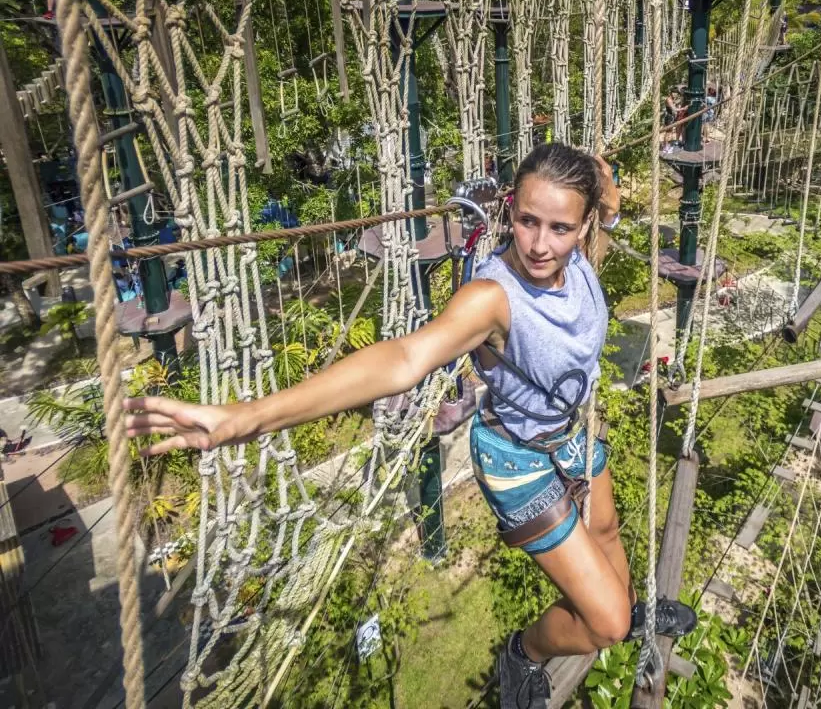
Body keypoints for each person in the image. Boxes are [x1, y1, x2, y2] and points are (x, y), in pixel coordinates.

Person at [123, 143, 697, 709]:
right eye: (526, 221)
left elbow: (607, 210)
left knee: (607, 537)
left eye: (560, 228)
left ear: (585, 223)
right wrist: (246, 418)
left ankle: (630, 608)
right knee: (605, 621)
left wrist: (608, 187)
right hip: (517, 459)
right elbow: (403, 359)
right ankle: (524, 652)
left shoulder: (585, 253)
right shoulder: (492, 298)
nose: (540, 245)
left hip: (570, 436)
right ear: (509, 213)